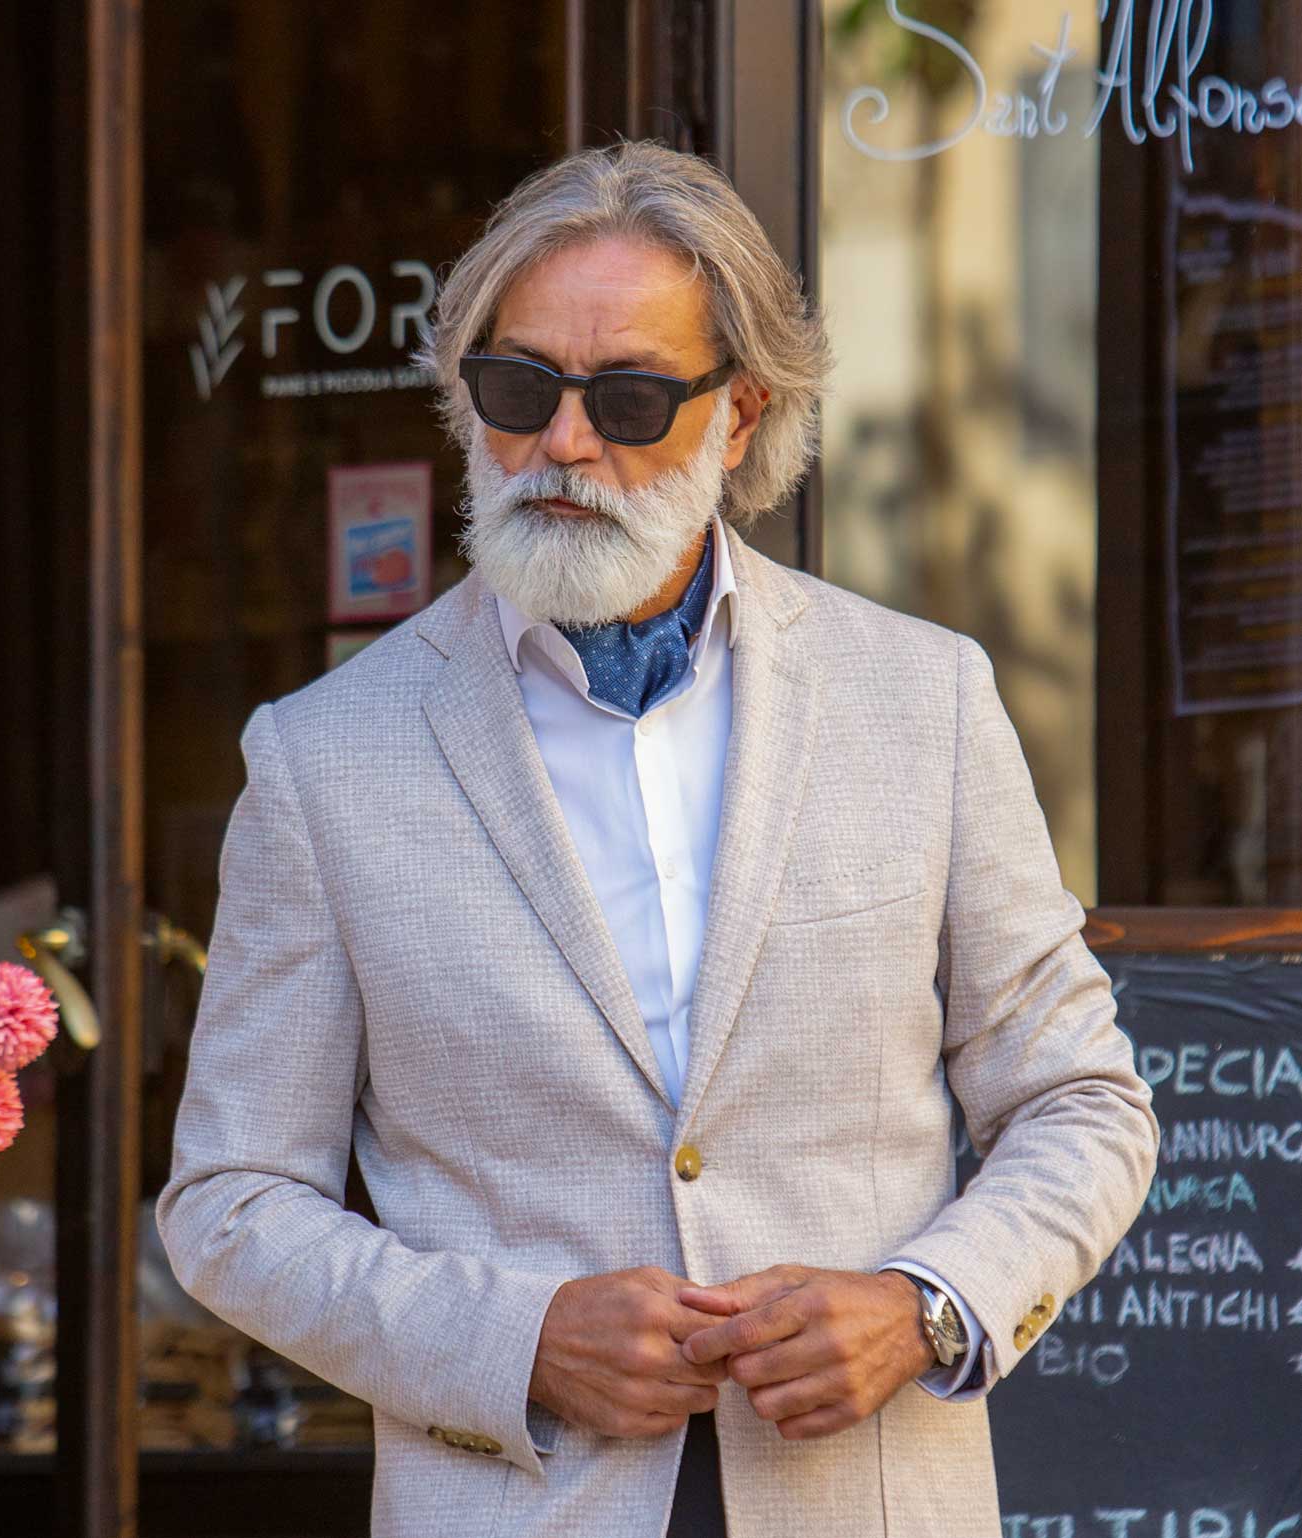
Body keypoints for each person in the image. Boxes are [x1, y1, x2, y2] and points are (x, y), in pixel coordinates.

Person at [156, 139, 1158, 1538]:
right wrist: (515, 1339)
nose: (563, 444)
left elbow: (1080, 1101)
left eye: (627, 399)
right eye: (519, 390)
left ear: (738, 416)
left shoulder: (920, 699)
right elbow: (232, 1201)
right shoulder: (323, 757)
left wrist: (923, 1306)